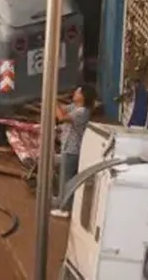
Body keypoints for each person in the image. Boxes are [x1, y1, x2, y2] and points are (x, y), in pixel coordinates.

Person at [52, 84, 96, 218]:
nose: (74, 94)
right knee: (63, 177)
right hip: (67, 148)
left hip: (72, 150)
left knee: (67, 180)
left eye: (77, 92)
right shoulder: (75, 107)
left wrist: (52, 100)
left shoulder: (82, 112)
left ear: (83, 96)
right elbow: (62, 109)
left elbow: (61, 117)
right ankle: (61, 201)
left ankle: (65, 208)